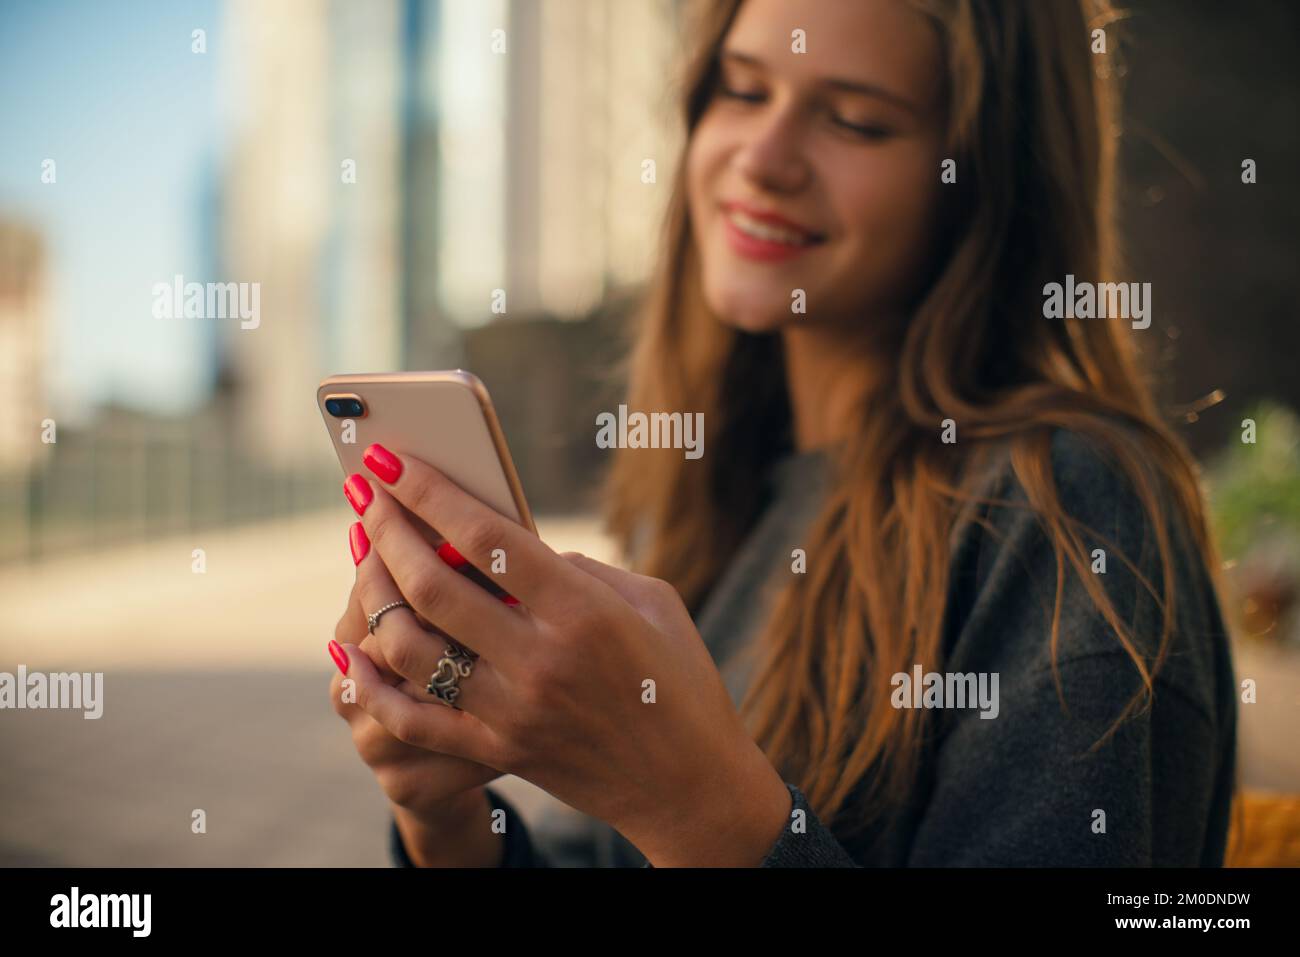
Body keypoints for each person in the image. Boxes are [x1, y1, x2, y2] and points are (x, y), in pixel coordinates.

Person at [326, 0, 1238, 867]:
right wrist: (446, 821)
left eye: (855, 120)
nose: (762, 157)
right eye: (745, 89)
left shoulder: (1069, 510)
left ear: (987, 179)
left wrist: (692, 805)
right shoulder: (725, 487)